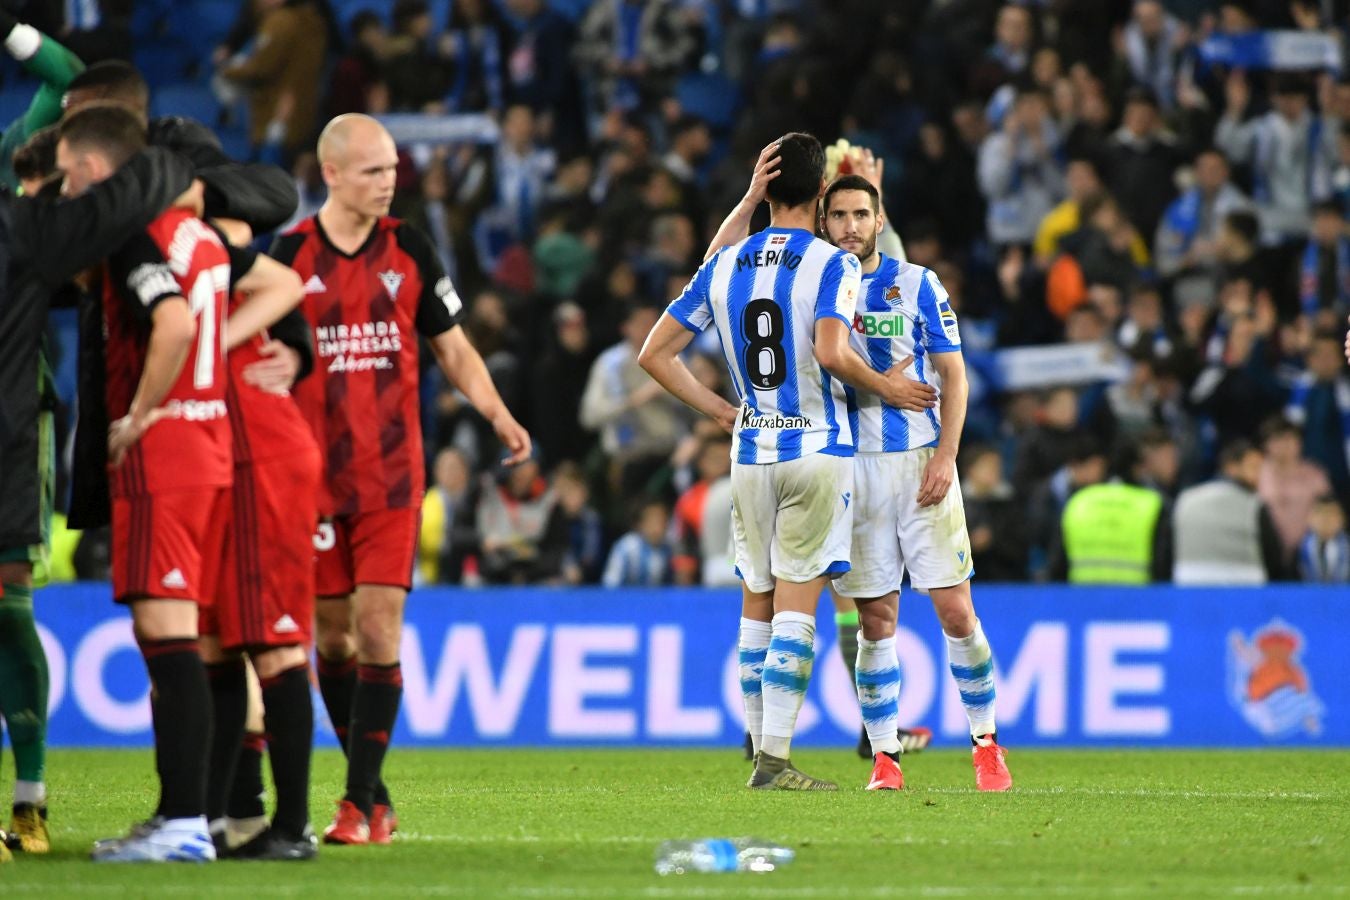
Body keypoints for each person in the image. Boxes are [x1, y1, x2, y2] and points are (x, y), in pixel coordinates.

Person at [638, 133, 932, 791]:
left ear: (764, 188)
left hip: (750, 453)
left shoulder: (724, 263)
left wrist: (720, 410)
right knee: (799, 606)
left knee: (756, 604)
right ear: (823, 194)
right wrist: (886, 388)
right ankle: (773, 760)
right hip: (816, 450)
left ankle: (757, 745)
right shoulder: (833, 263)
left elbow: (654, 354)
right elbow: (832, 351)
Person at [269, 113, 531, 845]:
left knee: (378, 629)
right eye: (373, 171)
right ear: (331, 174)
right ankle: (374, 795)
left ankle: (356, 803)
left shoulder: (410, 247)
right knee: (333, 641)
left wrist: (496, 413)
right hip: (313, 479)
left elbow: (453, 348)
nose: (389, 181)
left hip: (390, 476)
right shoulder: (287, 257)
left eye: (391, 168)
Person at [52, 104, 263, 862]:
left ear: (99, 170)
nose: (67, 188)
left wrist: (139, 412)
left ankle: (183, 822)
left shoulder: (137, 235)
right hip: (208, 443)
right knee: (192, 640)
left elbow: (172, 324)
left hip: (166, 452)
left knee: (168, 639)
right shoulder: (203, 238)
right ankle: (192, 816)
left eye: (71, 175)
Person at [812, 171, 1012, 792]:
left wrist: (946, 455)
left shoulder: (918, 283)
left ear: (879, 221)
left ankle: (986, 745)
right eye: (838, 215)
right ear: (824, 223)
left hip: (920, 463)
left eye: (860, 215)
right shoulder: (812, 290)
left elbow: (955, 376)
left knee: (956, 611)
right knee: (875, 622)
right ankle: (885, 758)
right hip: (852, 470)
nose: (850, 227)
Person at [195, 220, 323, 862]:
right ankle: (210, 820)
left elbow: (287, 283)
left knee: (273, 645)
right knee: (214, 646)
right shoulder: (198, 266)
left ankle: (293, 826)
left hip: (261, 464)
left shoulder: (222, 266)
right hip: (219, 463)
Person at [1173, 440, 1284, 585]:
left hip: (1188, 587)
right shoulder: (1254, 506)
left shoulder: (1185, 499)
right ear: (1231, 467)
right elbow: (1273, 558)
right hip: (1245, 590)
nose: (1258, 476)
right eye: (1253, 467)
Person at [602, 499, 672, 587]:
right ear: (641, 524)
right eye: (652, 521)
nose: (657, 527)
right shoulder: (627, 547)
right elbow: (610, 583)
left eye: (662, 521)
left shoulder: (668, 549)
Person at [1297, 494, 1350, 583]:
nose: (1326, 519)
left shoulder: (1347, 547)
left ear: (1342, 519)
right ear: (1309, 518)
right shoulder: (1298, 550)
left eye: (1331, 513)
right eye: (1320, 512)